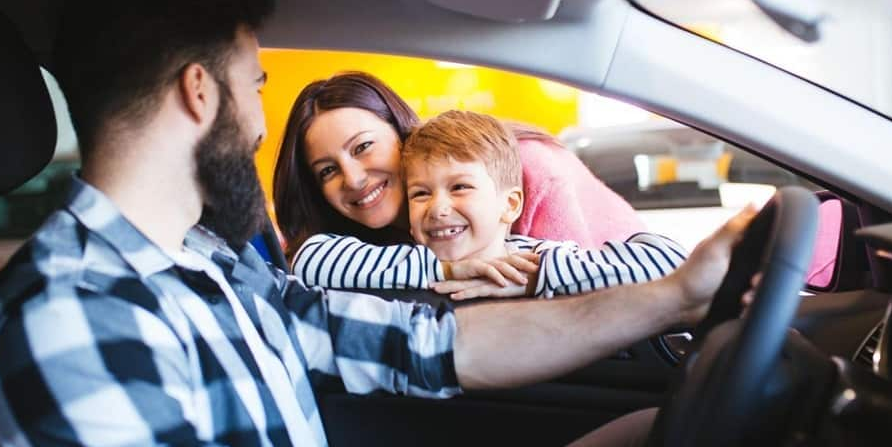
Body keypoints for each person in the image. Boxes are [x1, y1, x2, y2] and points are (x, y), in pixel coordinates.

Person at [0, 0, 791, 447]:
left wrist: (679, 293)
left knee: (654, 440)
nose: (260, 125)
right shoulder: (72, 316)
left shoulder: (209, 264)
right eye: (255, 86)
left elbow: (430, 346)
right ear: (199, 92)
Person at [293, 110, 688, 300]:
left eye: (460, 187)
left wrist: (535, 278)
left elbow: (668, 260)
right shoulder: (402, 265)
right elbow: (311, 258)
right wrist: (446, 268)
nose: (438, 208)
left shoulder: (535, 257)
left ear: (510, 204)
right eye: (420, 194)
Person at [272, 71, 654, 260]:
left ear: (401, 129)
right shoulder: (353, 255)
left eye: (363, 147)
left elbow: (591, 297)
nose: (353, 178)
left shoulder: (526, 166)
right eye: (327, 170)